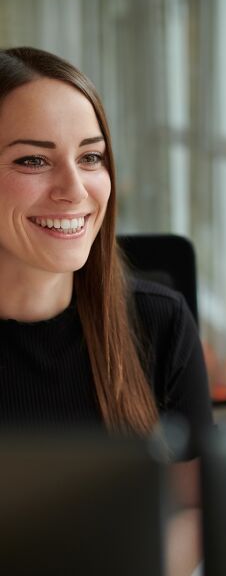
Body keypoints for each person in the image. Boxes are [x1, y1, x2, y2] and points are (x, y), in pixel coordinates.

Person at [0, 46, 213, 575]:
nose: (75, 190)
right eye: (33, 160)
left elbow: (196, 504)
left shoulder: (159, 321)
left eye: (91, 157)